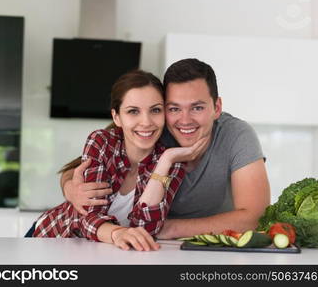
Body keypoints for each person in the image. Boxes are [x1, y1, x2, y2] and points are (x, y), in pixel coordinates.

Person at [61, 58, 271, 239]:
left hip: (204, 247)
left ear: (216, 108)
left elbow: (255, 216)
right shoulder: (152, 129)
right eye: (174, 108)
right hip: (144, 246)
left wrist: (170, 228)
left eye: (197, 107)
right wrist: (71, 189)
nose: (185, 120)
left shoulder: (237, 135)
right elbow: (80, 168)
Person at [31, 70, 207, 251]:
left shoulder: (172, 161)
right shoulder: (101, 142)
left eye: (155, 110)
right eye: (133, 111)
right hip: (51, 238)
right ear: (117, 117)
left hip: (103, 252)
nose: (146, 122)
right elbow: (87, 216)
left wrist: (166, 160)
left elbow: (147, 228)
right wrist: (118, 233)